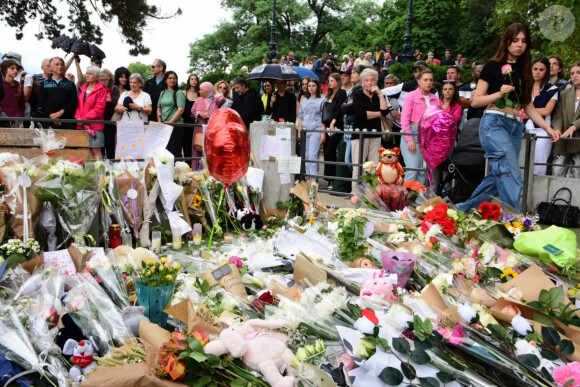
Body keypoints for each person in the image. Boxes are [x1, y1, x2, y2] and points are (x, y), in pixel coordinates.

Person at [456, 23, 559, 212]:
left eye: (524, 41)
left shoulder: (525, 70)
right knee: (511, 174)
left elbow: (528, 105)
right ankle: (516, 223)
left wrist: (548, 128)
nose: (519, 45)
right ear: (507, 41)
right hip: (494, 124)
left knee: (498, 176)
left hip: (515, 127)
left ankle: (461, 210)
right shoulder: (492, 66)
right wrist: (499, 94)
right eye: (515, 40)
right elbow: (476, 101)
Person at [351, 68, 390, 192]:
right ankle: (356, 193)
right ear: (362, 82)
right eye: (366, 80)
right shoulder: (358, 94)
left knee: (373, 166)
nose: (370, 82)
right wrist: (379, 114)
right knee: (359, 166)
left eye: (372, 80)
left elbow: (385, 111)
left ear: (377, 81)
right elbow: (361, 114)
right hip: (360, 135)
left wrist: (380, 94)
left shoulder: (379, 95)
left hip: (376, 134)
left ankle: (371, 194)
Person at [400, 69, 438, 184]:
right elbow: (404, 119)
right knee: (413, 169)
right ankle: (405, 200)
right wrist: (409, 139)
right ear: (419, 81)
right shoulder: (411, 96)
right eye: (425, 80)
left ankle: (418, 200)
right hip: (413, 133)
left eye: (431, 80)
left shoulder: (435, 99)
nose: (428, 82)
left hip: (427, 137)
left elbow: (437, 120)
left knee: (423, 172)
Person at [524, 57, 559, 176]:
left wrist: (526, 112)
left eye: (541, 69)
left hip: (542, 130)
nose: (537, 72)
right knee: (522, 163)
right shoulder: (524, 87)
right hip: (522, 129)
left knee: (539, 166)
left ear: (546, 71)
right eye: (535, 69)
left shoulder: (552, 89)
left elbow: (547, 111)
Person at [551, 61, 580, 178]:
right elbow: (557, 115)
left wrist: (574, 126)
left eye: (578, 72)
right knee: (557, 172)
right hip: (563, 140)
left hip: (579, 139)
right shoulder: (564, 93)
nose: (574, 76)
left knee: (577, 176)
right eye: (572, 73)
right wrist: (557, 129)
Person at [75, 66, 107, 159]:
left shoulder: (102, 90)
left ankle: (99, 172)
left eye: (90, 73)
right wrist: (78, 118)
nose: (87, 75)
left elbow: (99, 109)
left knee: (96, 150)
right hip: (80, 124)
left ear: (97, 77)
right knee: (82, 150)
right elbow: (78, 106)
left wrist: (84, 119)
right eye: (87, 73)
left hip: (95, 125)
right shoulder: (82, 88)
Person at [322, 73, 347, 190]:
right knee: (327, 152)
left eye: (332, 80)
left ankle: (333, 178)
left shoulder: (341, 93)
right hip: (327, 126)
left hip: (337, 126)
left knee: (330, 151)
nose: (330, 83)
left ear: (338, 81)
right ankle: (329, 179)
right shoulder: (328, 94)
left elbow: (340, 109)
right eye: (329, 81)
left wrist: (333, 122)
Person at [191, 82, 226, 168]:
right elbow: (192, 112)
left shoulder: (216, 100)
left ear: (207, 91)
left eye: (202, 90)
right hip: (199, 130)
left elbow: (222, 99)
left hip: (212, 130)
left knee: (210, 150)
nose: (199, 91)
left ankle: (211, 171)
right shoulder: (199, 100)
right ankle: (197, 171)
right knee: (198, 148)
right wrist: (199, 113)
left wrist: (216, 92)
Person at [38, 57, 78, 129]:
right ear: (50, 67)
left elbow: (73, 101)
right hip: (49, 120)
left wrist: (60, 113)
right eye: (57, 64)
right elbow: (41, 101)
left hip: (67, 121)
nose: (60, 66)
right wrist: (52, 114)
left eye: (62, 64)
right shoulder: (44, 83)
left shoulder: (70, 84)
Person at [298, 79, 325, 181]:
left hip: (316, 130)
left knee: (313, 156)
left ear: (317, 87)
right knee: (306, 155)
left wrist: (323, 133)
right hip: (305, 130)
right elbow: (301, 117)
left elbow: (324, 118)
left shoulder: (322, 100)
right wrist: (299, 132)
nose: (311, 88)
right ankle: (308, 177)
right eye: (309, 86)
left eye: (313, 86)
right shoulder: (304, 100)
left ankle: (314, 179)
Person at [157, 71, 186, 157]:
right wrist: (160, 122)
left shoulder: (179, 93)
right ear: (166, 80)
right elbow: (159, 108)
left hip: (176, 126)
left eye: (174, 78)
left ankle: (177, 170)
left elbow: (181, 110)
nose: (172, 80)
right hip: (164, 125)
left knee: (175, 151)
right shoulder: (163, 93)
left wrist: (170, 123)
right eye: (170, 78)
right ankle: (167, 170)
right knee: (165, 151)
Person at [0, 59, 24, 126]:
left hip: (17, 122)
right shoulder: (1, 86)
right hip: (3, 122)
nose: (15, 71)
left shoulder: (19, 86)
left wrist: (20, 116)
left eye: (16, 68)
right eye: (12, 68)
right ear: (5, 70)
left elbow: (22, 104)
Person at [182, 74, 201, 158]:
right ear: (189, 81)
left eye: (195, 79)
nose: (194, 81)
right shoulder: (184, 93)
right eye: (192, 79)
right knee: (187, 143)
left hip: (197, 121)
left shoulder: (200, 93)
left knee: (197, 142)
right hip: (186, 121)